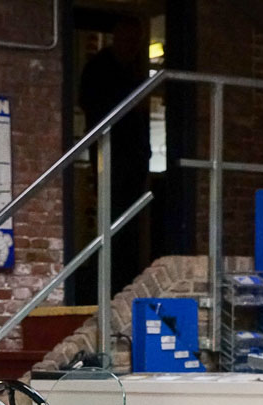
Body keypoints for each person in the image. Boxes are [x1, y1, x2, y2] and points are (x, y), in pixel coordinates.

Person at [77, 17, 152, 291]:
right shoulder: (99, 68)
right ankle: (106, 283)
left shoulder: (134, 68)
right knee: (111, 217)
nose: (132, 46)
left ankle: (126, 282)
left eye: (136, 42)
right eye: (129, 40)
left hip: (134, 157)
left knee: (131, 223)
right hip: (109, 153)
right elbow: (90, 104)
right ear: (117, 38)